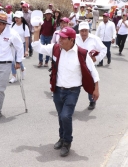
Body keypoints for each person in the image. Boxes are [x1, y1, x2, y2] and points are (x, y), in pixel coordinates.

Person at [31, 26, 100, 157]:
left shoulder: (82, 53)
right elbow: (37, 47)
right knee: (61, 116)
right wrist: (37, 31)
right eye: (59, 37)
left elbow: (93, 72)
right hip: (58, 90)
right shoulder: (55, 48)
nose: (59, 40)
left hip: (73, 91)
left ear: (71, 39)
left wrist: (96, 89)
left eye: (63, 38)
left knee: (65, 116)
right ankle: (62, 138)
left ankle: (67, 142)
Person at [75, 21, 106, 110]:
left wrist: (96, 59)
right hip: (77, 66)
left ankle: (92, 101)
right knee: (75, 85)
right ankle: (71, 102)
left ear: (88, 30)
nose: (84, 33)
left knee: (90, 84)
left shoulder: (94, 39)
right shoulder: (74, 38)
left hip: (89, 67)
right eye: (82, 31)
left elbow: (104, 49)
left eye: (86, 31)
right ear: (79, 31)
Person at [9, 11, 30, 83]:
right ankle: (14, 76)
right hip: (12, 46)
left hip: (21, 45)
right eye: (15, 18)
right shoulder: (12, 25)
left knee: (19, 60)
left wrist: (26, 50)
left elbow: (27, 39)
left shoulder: (25, 26)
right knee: (12, 61)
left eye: (18, 18)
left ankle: (23, 69)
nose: (16, 19)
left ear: (21, 18)